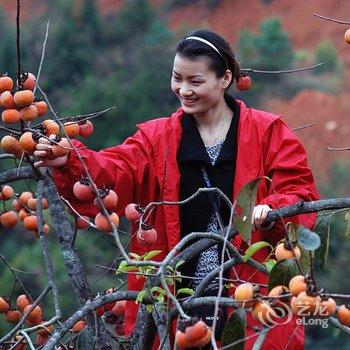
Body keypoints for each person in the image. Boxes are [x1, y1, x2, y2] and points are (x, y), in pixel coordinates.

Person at [34, 29, 319, 349]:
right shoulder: (158, 138)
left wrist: (274, 207)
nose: (184, 90)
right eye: (177, 78)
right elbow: (116, 171)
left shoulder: (267, 132)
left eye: (195, 81)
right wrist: (70, 160)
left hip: (248, 294)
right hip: (175, 303)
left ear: (225, 79)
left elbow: (299, 192)